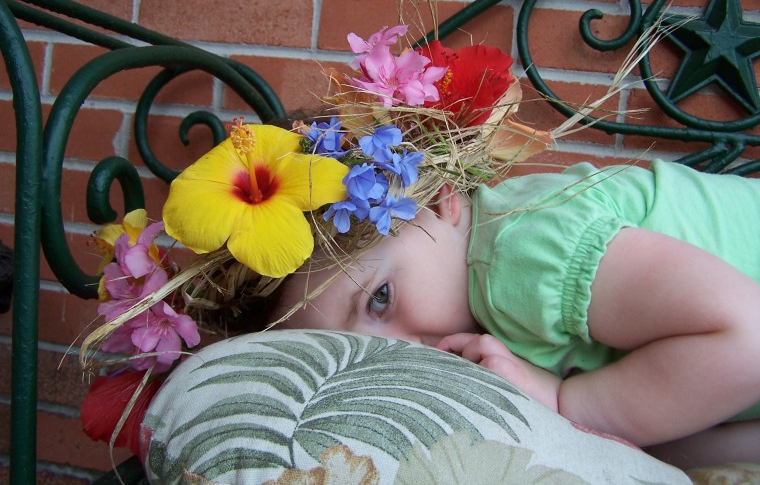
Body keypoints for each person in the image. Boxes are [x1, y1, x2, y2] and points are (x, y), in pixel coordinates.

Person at [273, 159, 760, 469]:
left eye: (380, 297)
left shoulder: (516, 251)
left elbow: (749, 339)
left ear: (439, 200)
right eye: (366, 350)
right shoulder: (481, 318)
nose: (400, 352)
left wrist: (572, 407)